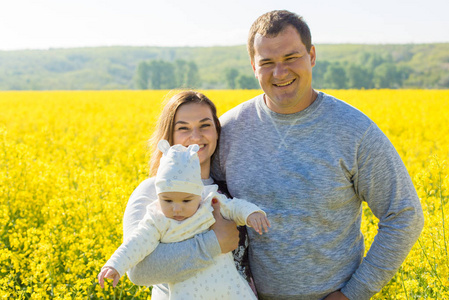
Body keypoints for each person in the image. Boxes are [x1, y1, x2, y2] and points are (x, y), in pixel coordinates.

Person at [211, 10, 424, 300]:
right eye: (267, 63)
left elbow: (404, 215)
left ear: (311, 55)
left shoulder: (354, 131)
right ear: (253, 66)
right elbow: (192, 197)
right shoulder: (228, 130)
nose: (280, 72)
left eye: (290, 58)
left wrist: (353, 294)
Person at [118, 91, 258, 299]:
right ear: (169, 136)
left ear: (217, 132)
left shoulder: (226, 190)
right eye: (183, 128)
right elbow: (138, 271)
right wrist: (214, 244)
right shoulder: (152, 191)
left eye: (205, 125)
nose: (195, 137)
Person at [98, 140, 269, 299]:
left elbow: (234, 207)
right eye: (167, 200)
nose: (177, 208)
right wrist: (115, 265)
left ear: (198, 193)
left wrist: (251, 213)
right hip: (187, 293)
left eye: (186, 200)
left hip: (229, 287)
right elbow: (136, 244)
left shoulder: (209, 202)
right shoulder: (157, 220)